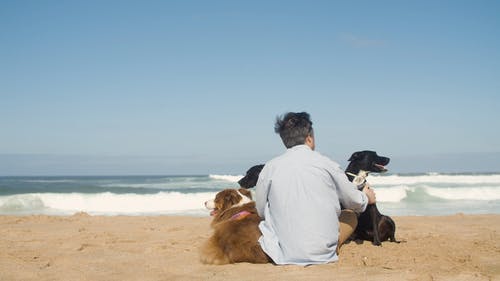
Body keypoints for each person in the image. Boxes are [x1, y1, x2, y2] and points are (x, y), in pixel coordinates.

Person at [255, 112, 376, 265]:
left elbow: (260, 210)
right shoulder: (327, 164)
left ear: (284, 140)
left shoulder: (270, 167)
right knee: (350, 215)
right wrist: (367, 198)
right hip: (322, 254)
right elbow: (353, 201)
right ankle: (332, 246)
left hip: (282, 252)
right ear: (309, 138)